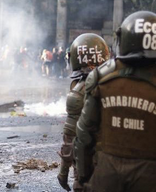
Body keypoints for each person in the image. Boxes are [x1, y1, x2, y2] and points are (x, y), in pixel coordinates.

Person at [74, 11, 156, 191]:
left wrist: (83, 178)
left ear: (122, 39)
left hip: (107, 174)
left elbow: (84, 134)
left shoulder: (101, 75)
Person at [57, 33, 110, 192]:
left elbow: (69, 139)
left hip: (87, 165)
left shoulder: (79, 91)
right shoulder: (117, 84)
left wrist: (63, 172)